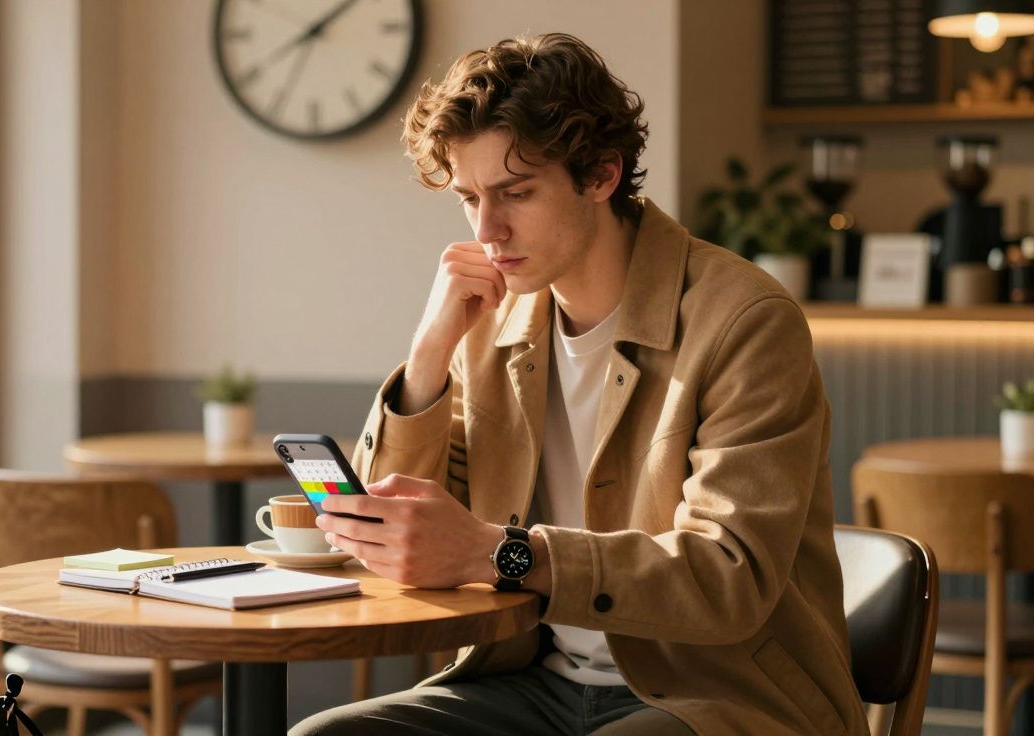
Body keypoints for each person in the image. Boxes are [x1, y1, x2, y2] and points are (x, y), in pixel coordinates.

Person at [292, 33, 866, 735]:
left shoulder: (746, 321)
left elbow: (727, 577)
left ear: (599, 175)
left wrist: (494, 552)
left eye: (516, 193)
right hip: (534, 686)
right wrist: (427, 356)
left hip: (714, 695)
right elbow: (386, 540)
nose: (488, 229)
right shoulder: (495, 327)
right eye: (469, 198)